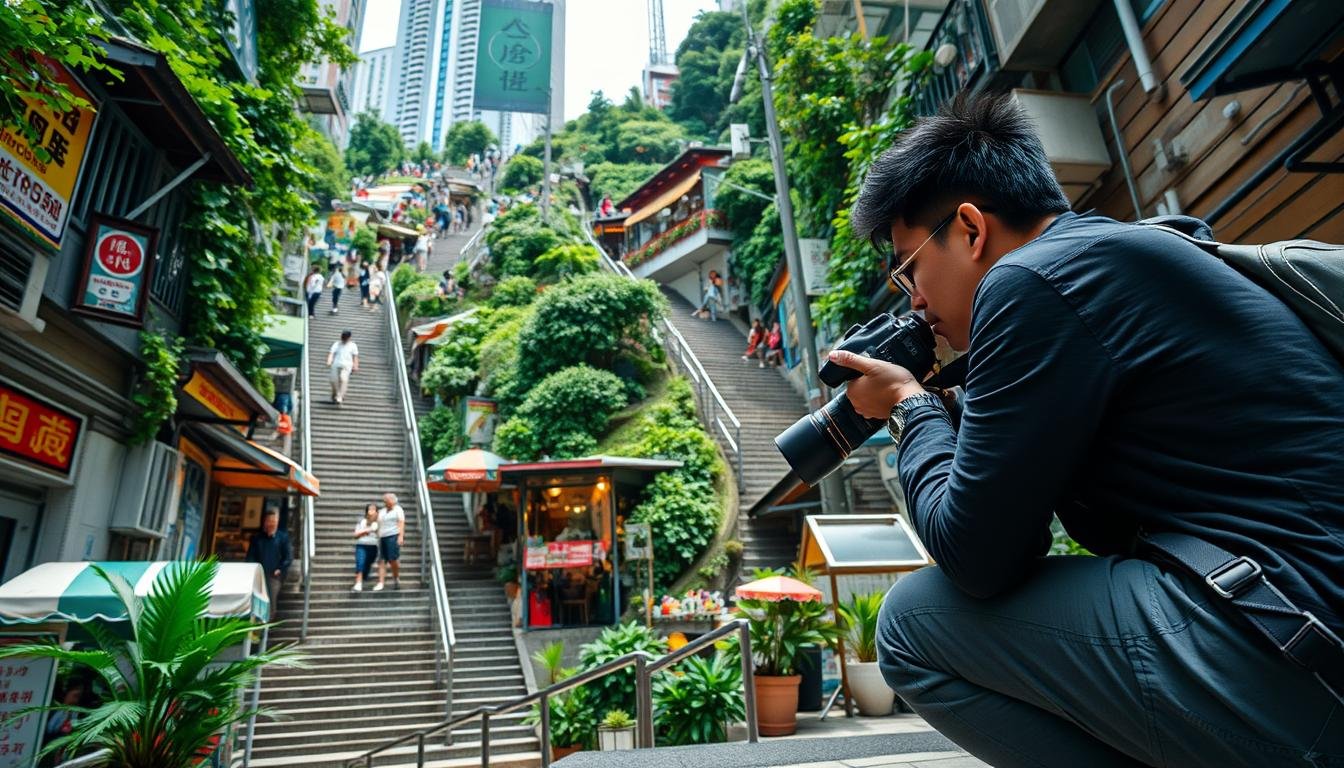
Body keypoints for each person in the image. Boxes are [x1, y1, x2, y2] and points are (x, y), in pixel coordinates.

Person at [835, 94, 1344, 767]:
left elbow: (976, 557)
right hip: (1307, 633)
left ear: (969, 228)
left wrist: (909, 405)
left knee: (912, 624)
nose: (916, 303)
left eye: (909, 270)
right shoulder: (1124, 252)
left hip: (1293, 653)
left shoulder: (1029, 282)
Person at [246, 509, 292, 609]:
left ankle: (269, 623)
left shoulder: (282, 538)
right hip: (258, 574)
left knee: (270, 601)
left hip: (274, 576)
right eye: (269, 521)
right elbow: (250, 556)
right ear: (265, 522)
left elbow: (288, 557)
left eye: (273, 522)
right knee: (256, 600)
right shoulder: (257, 538)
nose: (271, 524)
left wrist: (279, 568)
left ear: (277, 522)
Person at [376, 493, 406, 591]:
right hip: (382, 537)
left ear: (393, 500)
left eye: (387, 499)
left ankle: (396, 578)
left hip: (393, 536)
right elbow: (377, 523)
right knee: (382, 560)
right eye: (384, 500)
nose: (385, 501)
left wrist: (401, 536)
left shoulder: (398, 509)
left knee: (393, 559)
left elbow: (401, 523)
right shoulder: (382, 511)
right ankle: (381, 583)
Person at [326, 330, 359, 405]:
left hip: (347, 365)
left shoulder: (353, 345)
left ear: (349, 338)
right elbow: (331, 353)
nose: (344, 339)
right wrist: (329, 361)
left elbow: (355, 356)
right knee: (333, 381)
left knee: (343, 378)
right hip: (336, 364)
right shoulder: (337, 344)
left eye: (346, 337)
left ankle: (340, 396)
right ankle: (335, 393)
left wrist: (355, 365)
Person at [352, 503, 379, 592]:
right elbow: (355, 534)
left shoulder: (379, 522)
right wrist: (367, 530)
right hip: (361, 545)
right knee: (360, 562)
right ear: (366, 511)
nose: (371, 511)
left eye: (373, 509)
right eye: (369, 509)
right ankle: (358, 583)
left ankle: (364, 575)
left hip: (373, 546)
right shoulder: (362, 521)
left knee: (368, 563)